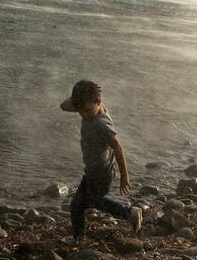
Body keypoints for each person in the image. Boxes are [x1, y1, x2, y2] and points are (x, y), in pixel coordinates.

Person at [60, 80, 142, 245]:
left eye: (87, 111)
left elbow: (117, 147)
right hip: (92, 171)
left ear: (99, 102)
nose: (84, 115)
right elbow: (64, 106)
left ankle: (128, 213)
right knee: (83, 204)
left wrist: (124, 176)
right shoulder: (90, 108)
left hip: (101, 173)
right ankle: (80, 236)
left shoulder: (101, 124)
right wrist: (79, 97)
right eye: (80, 112)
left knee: (81, 204)